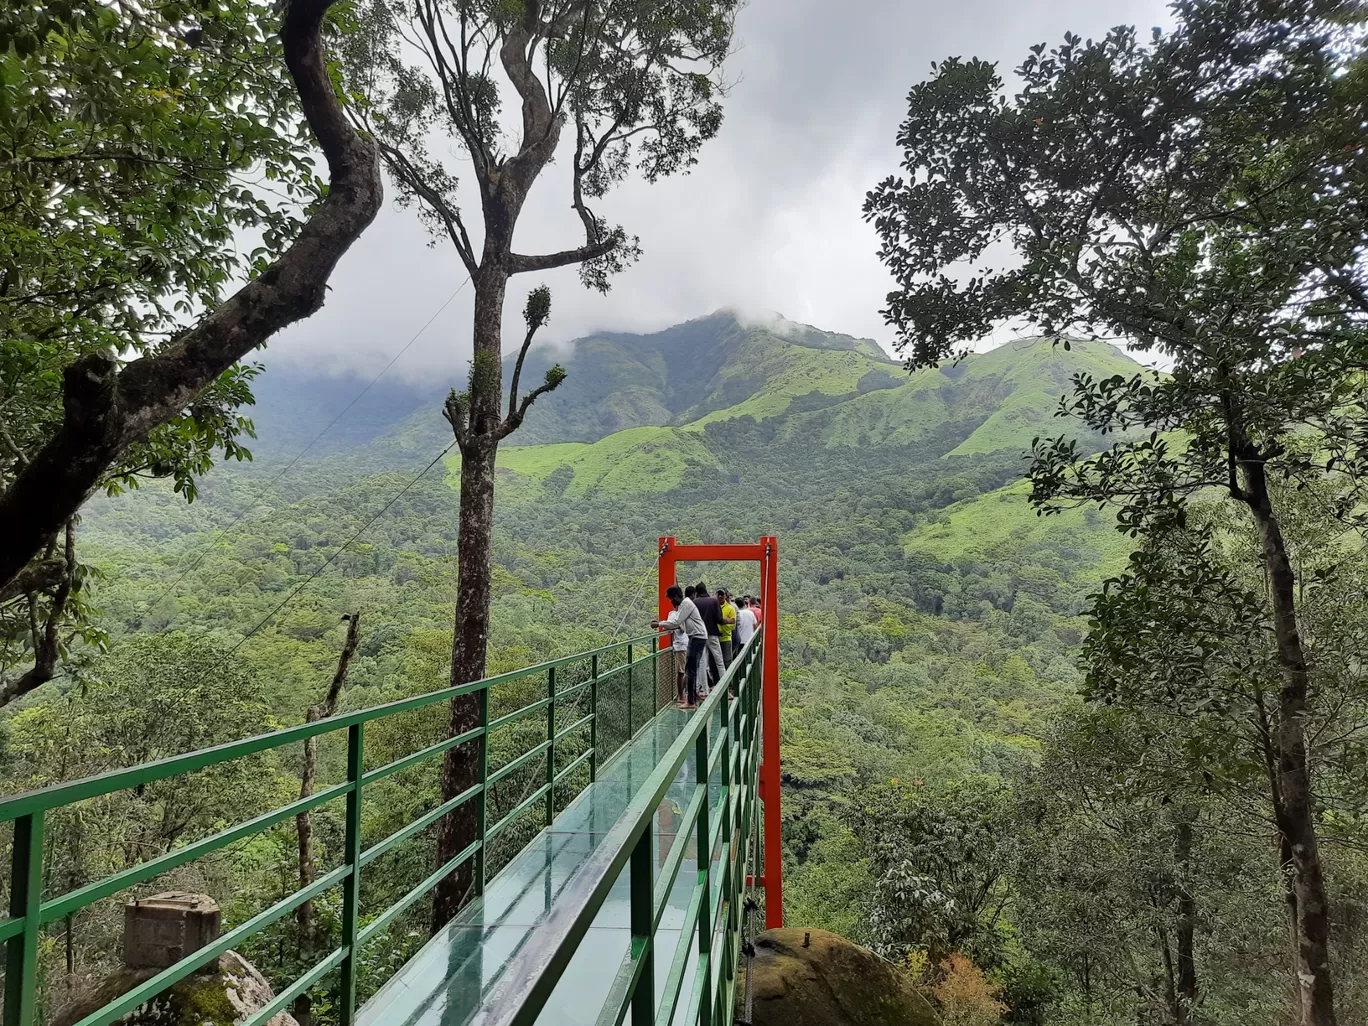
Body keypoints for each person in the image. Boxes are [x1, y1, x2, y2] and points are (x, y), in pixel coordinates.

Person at [651, 584, 706, 708]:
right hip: (696, 636)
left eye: (671, 598)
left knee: (690, 670)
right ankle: (693, 696)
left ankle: (690, 701)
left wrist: (659, 624)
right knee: (691, 669)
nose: (671, 601)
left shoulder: (685, 604)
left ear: (676, 596)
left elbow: (677, 622)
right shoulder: (684, 604)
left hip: (697, 637)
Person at [692, 581, 725, 695]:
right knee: (719, 661)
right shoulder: (714, 601)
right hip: (712, 635)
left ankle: (705, 690)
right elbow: (719, 619)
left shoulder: (695, 602)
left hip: (700, 636)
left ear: (697, 592)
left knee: (702, 663)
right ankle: (724, 687)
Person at [718, 589, 737, 666]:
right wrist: (727, 621)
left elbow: (733, 625)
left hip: (726, 638)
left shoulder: (730, 608)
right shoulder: (713, 606)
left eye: (722, 594)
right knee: (715, 663)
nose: (720, 596)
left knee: (727, 661)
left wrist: (723, 624)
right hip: (715, 639)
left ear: (725, 596)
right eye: (718, 594)